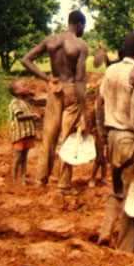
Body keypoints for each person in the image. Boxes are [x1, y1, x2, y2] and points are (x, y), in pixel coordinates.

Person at [20, 10, 89, 192]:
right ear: (79, 24)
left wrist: (47, 79)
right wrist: (84, 111)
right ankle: (63, 184)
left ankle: (40, 180)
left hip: (55, 89)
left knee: (49, 136)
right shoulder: (80, 45)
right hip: (72, 90)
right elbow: (81, 80)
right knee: (67, 138)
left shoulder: (51, 40)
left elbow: (26, 60)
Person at [96, 33, 134, 253]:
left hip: (112, 135)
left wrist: (103, 138)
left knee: (115, 189)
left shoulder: (111, 70)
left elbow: (98, 104)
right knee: (133, 194)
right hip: (129, 139)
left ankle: (106, 232)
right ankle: (126, 250)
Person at [8, 79, 39, 184]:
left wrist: (32, 117)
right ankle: (14, 178)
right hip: (19, 134)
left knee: (24, 157)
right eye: (24, 86)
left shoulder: (25, 103)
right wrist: (32, 115)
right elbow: (20, 116)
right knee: (18, 157)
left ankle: (22, 179)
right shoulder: (15, 103)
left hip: (27, 133)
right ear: (16, 91)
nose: (27, 88)